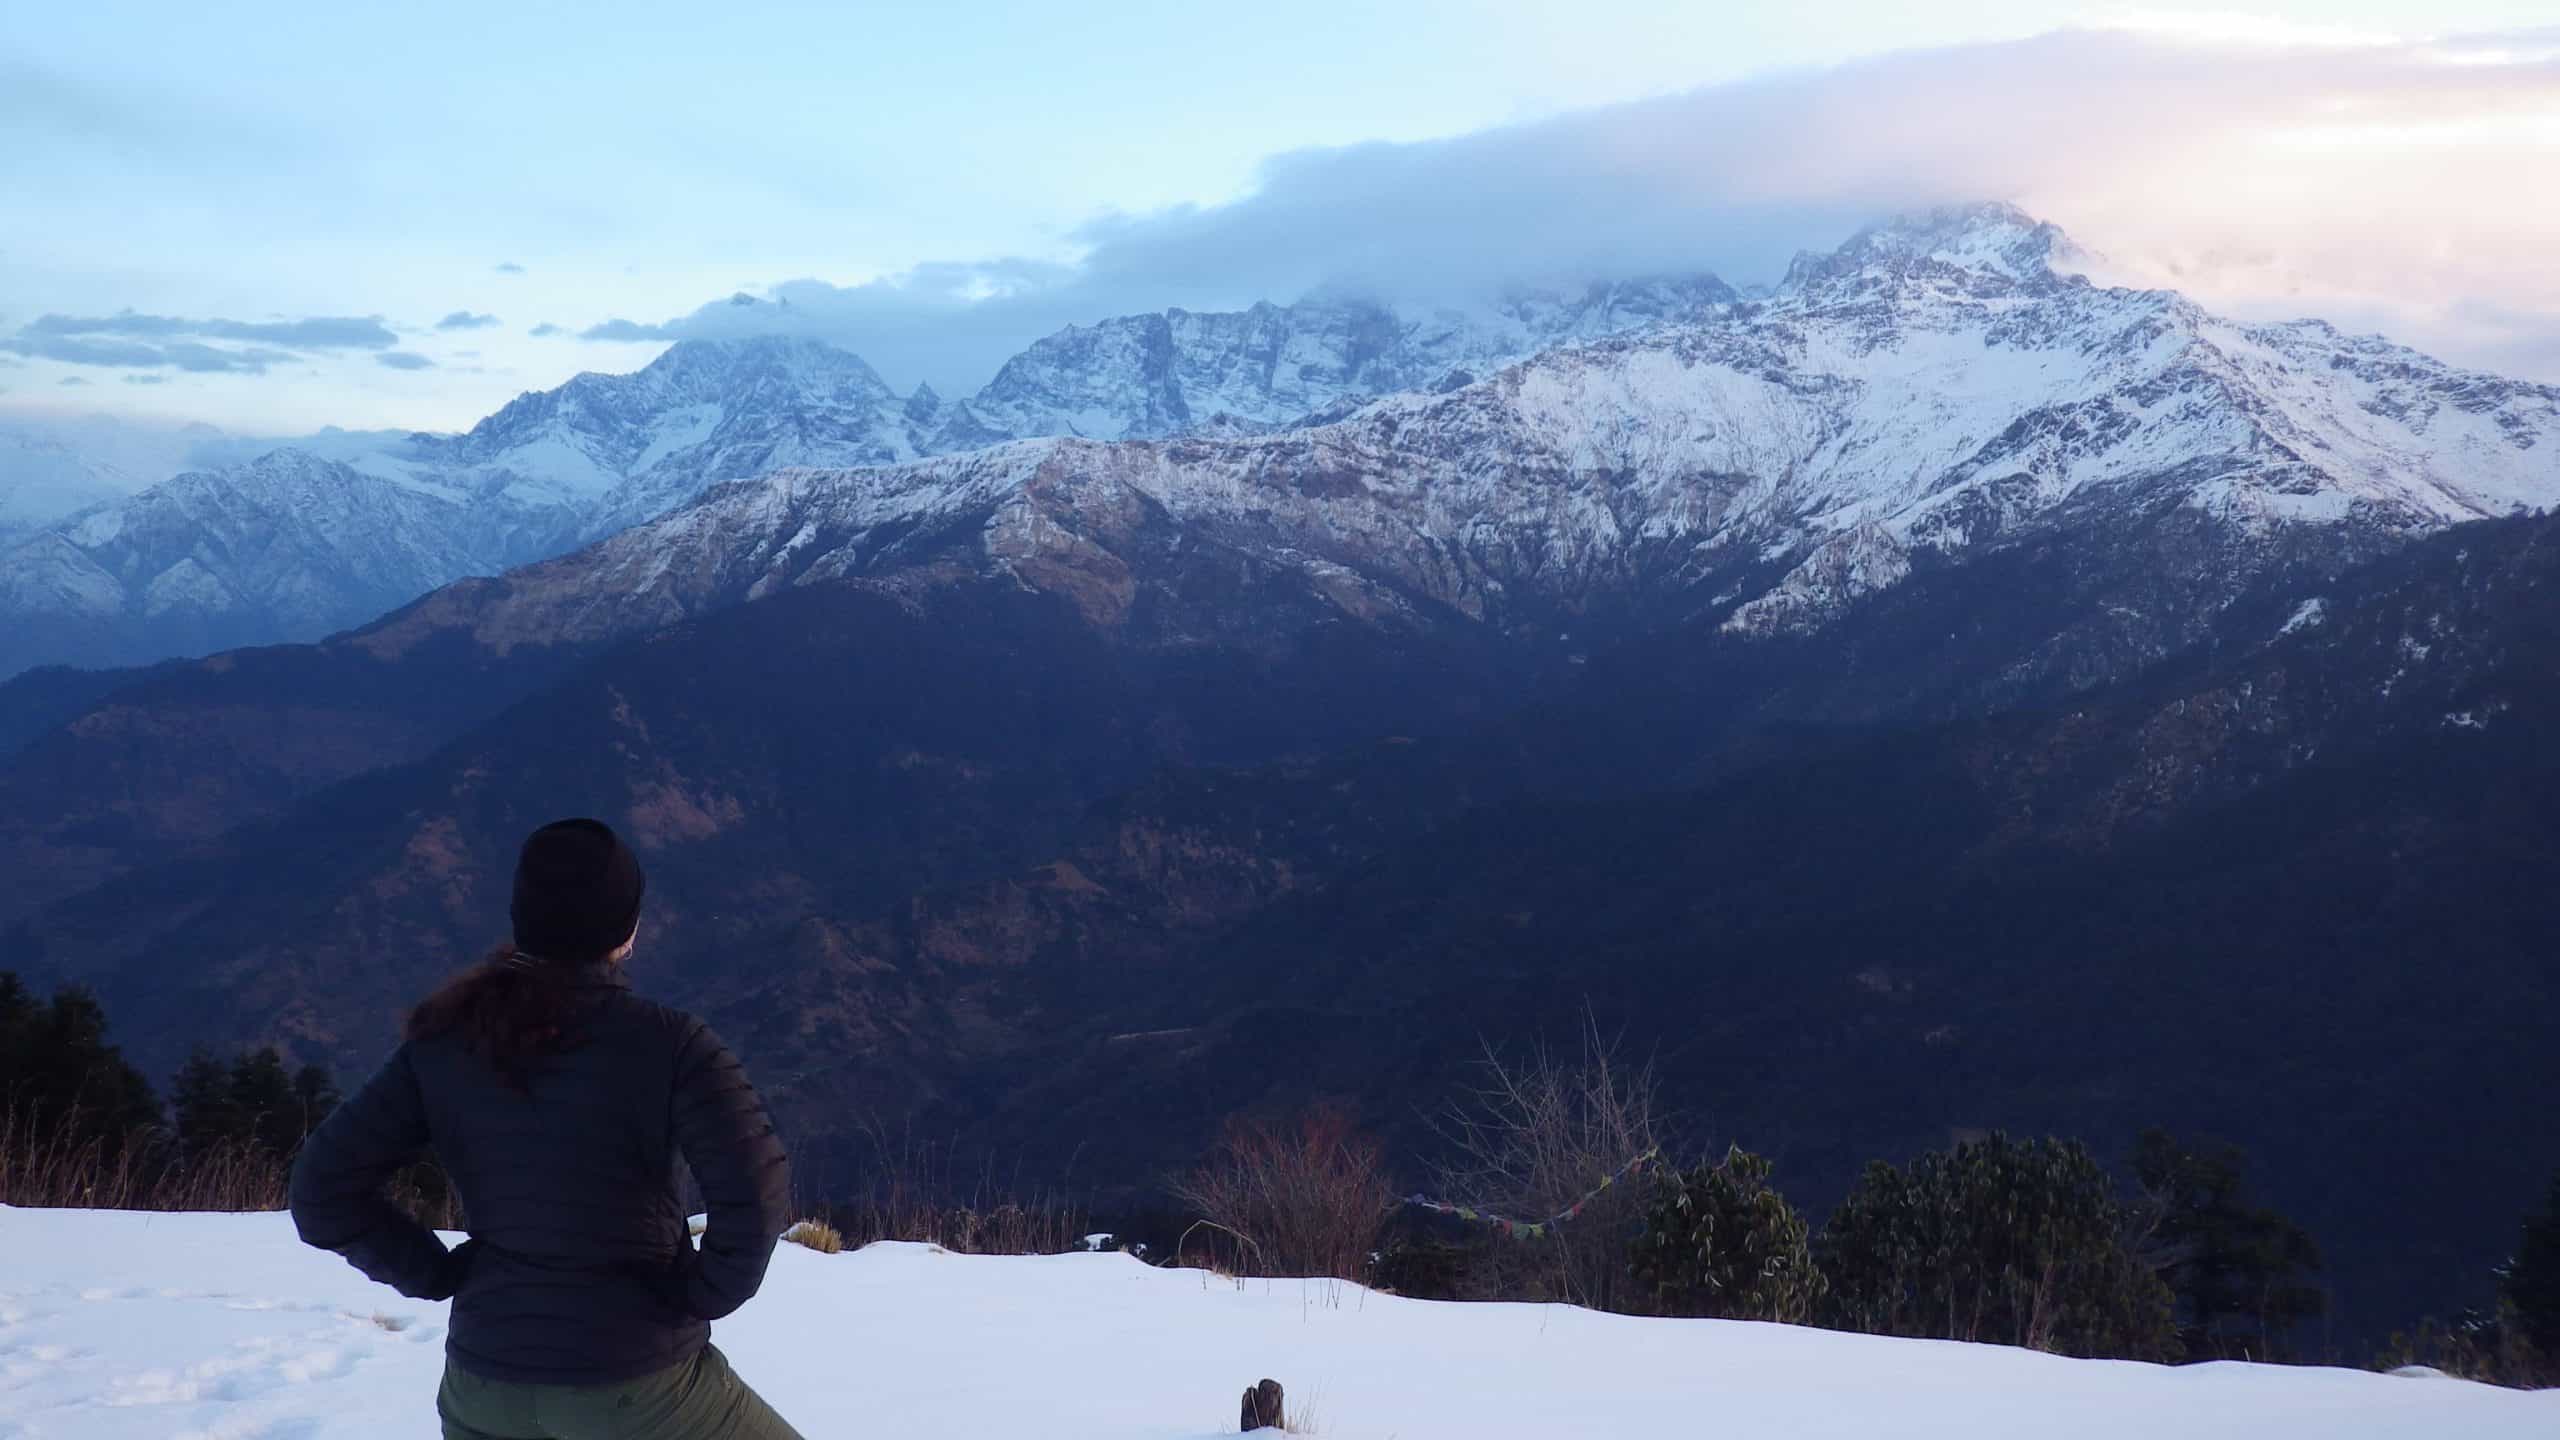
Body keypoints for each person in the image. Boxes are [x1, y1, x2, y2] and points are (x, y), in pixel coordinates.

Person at [290, 818, 803, 1440]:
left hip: (484, 1389)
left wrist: (437, 1274)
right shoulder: (670, 1044)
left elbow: (321, 1192)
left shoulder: (445, 1040)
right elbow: (756, 1186)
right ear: (628, 932)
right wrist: (701, 1293)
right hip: (635, 1385)